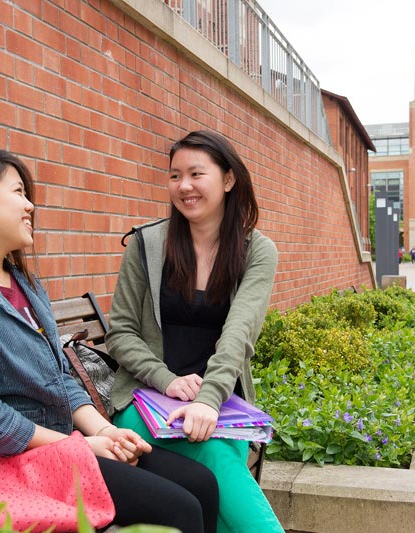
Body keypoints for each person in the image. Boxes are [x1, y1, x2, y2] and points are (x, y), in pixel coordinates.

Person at [0, 148, 218, 532]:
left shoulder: (24, 285)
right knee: (178, 509)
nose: (29, 205)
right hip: (6, 466)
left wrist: (104, 432)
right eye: (18, 192)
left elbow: (59, 378)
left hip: (59, 449)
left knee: (201, 483)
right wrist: (81, 447)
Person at [106, 130, 284, 533]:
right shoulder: (147, 244)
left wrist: (207, 400)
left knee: (216, 460)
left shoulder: (257, 251)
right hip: (145, 402)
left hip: (221, 407)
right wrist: (167, 381)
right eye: (174, 176)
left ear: (228, 179)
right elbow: (121, 333)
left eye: (196, 174)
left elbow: (238, 337)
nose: (184, 186)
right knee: (218, 463)